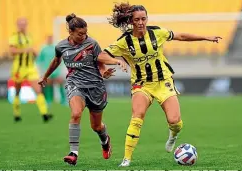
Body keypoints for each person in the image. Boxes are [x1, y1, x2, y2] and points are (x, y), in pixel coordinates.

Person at [97, 3, 222, 167]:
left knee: (175, 121)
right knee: (137, 117)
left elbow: (181, 36)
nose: (141, 22)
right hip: (141, 85)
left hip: (163, 82)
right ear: (131, 21)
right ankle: (126, 159)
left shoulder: (157, 33)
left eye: (143, 18)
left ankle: (173, 135)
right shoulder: (124, 41)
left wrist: (205, 37)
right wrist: (115, 60)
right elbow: (101, 56)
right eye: (137, 20)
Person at [38, 13, 127, 166]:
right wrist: (45, 76)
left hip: (95, 87)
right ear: (70, 32)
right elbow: (56, 61)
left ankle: (105, 140)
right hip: (75, 84)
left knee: (96, 126)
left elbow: (100, 59)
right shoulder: (61, 46)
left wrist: (110, 65)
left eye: (85, 33)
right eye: (80, 34)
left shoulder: (92, 43)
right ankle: (73, 153)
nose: (84, 36)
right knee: (76, 113)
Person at [9, 17, 52, 123]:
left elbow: (32, 51)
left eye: (24, 24)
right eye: (20, 24)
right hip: (19, 68)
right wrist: (25, 50)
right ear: (17, 25)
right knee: (17, 91)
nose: (22, 26)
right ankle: (16, 113)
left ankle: (44, 114)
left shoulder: (29, 36)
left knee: (38, 89)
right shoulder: (14, 37)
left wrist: (34, 52)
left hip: (30, 67)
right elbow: (12, 51)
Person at [37, 35, 67, 106]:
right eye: (49, 38)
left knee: (60, 82)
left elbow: (61, 58)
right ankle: (48, 100)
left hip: (57, 70)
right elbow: (39, 60)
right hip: (47, 69)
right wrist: (41, 69)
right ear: (47, 39)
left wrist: (62, 67)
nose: (50, 39)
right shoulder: (43, 48)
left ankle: (63, 100)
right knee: (48, 84)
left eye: (51, 38)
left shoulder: (56, 47)